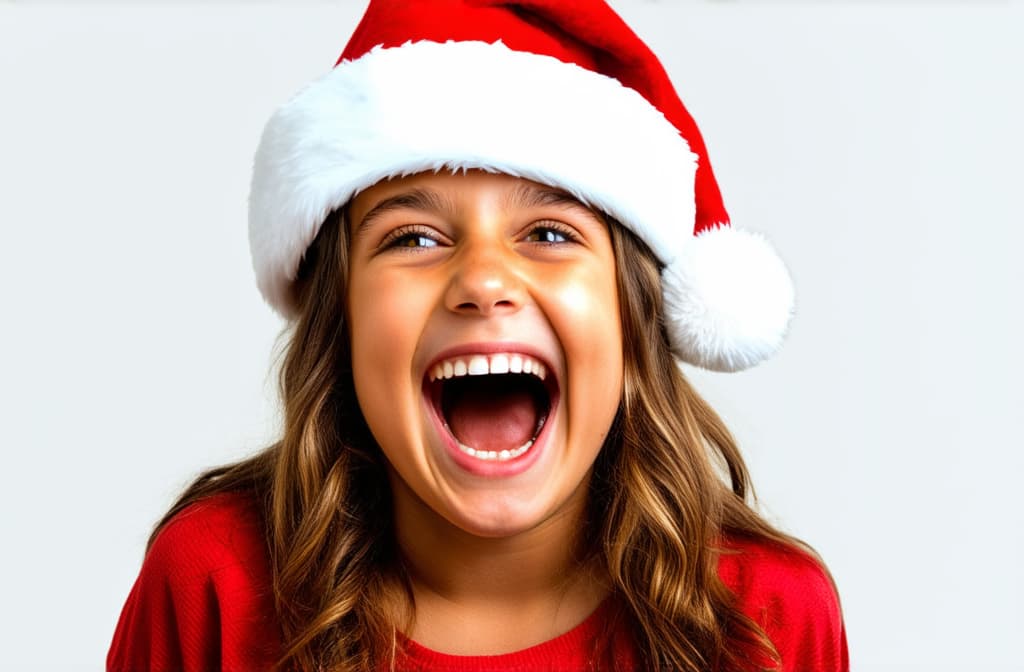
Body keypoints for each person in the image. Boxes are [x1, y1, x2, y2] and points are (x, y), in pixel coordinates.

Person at [108, 1, 848, 670]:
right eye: (414, 239)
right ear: (343, 321)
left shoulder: (768, 620)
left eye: (551, 232)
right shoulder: (213, 587)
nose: (483, 280)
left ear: (632, 316)